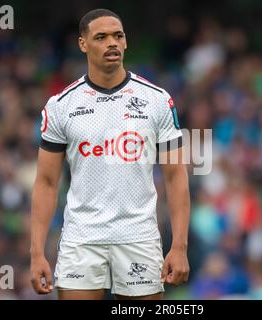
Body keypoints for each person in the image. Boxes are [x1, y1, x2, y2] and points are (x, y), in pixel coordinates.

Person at [30, 8, 190, 300]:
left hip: (138, 237)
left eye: (118, 36)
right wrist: (37, 253)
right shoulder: (61, 106)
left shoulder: (156, 100)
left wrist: (179, 246)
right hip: (82, 239)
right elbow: (46, 182)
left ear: (126, 42)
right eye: (101, 37)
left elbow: (176, 174)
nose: (112, 43)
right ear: (83, 44)